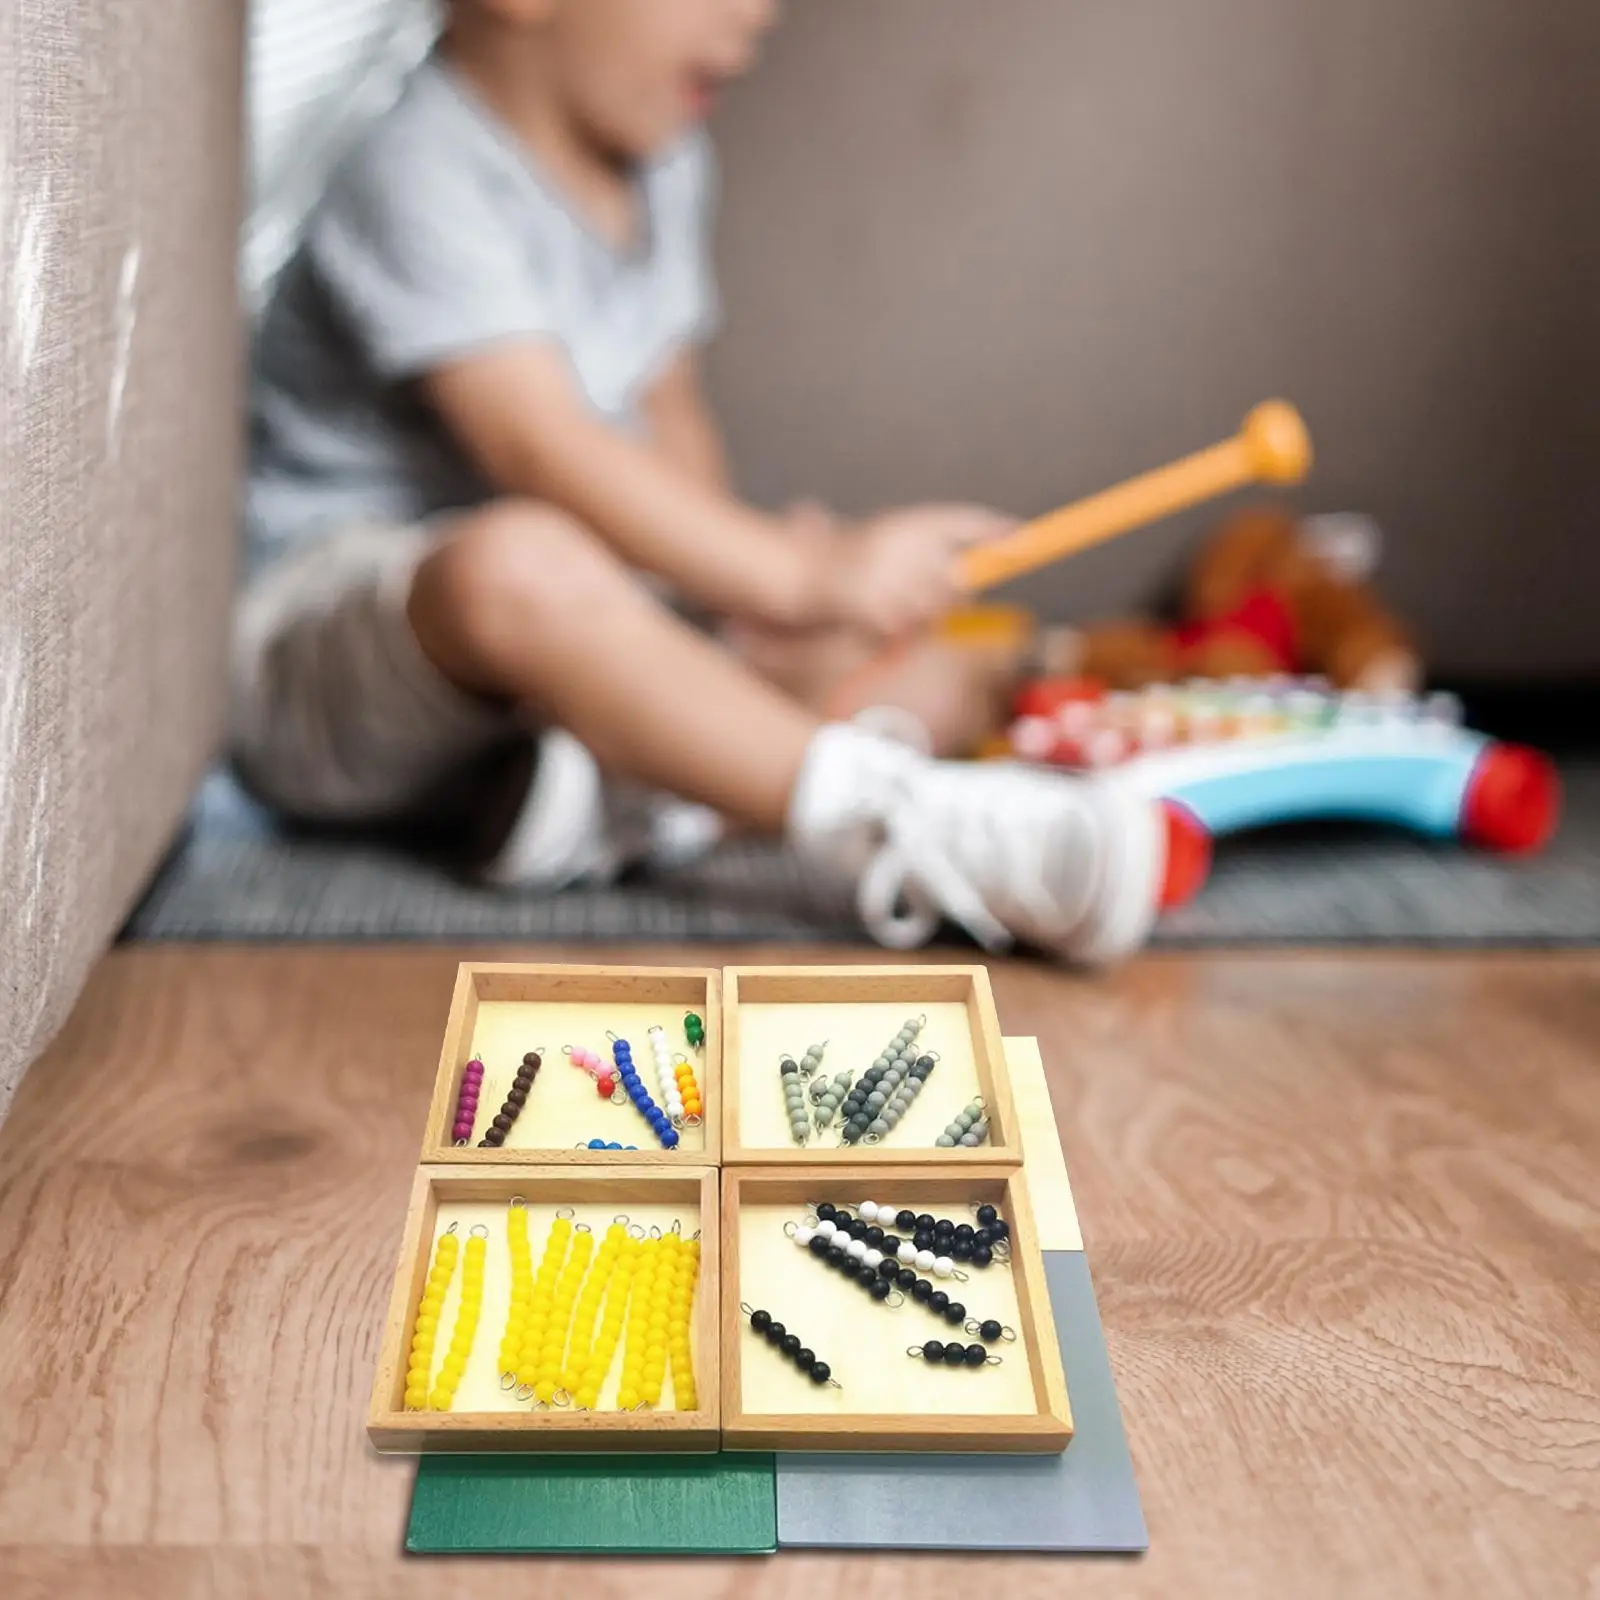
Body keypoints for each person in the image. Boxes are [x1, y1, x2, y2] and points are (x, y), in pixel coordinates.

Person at [238, 0, 1192, 963]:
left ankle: (629, 805)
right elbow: (535, 447)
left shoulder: (666, 166)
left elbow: (671, 415)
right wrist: (798, 570)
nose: (760, 14)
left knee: (918, 671)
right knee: (520, 562)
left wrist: (747, 600)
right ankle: (891, 824)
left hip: (558, 655)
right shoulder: (416, 167)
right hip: (353, 652)